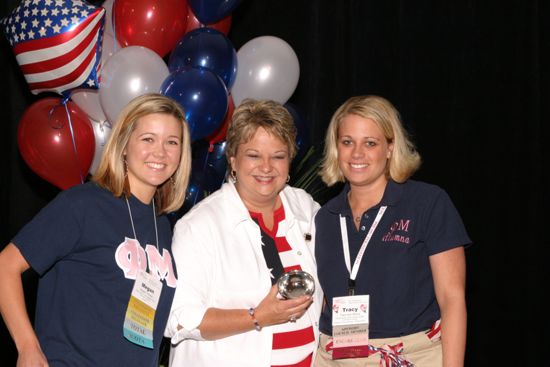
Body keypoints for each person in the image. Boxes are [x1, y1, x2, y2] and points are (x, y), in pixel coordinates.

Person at [0, 93, 191, 366]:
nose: (160, 152)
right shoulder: (83, 204)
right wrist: (28, 347)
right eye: (148, 138)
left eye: (172, 142)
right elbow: (5, 266)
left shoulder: (162, 225)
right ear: (124, 145)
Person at [314, 95, 471, 367]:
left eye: (370, 143)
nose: (357, 154)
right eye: (347, 142)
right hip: (335, 357)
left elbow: (452, 299)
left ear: (390, 147)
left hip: (409, 357)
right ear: (336, 148)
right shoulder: (324, 217)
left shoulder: (428, 203)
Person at [165, 99, 322, 367]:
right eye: (254, 155)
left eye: (278, 156)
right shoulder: (198, 226)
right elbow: (179, 318)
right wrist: (257, 316)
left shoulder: (305, 206)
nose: (266, 167)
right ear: (233, 159)